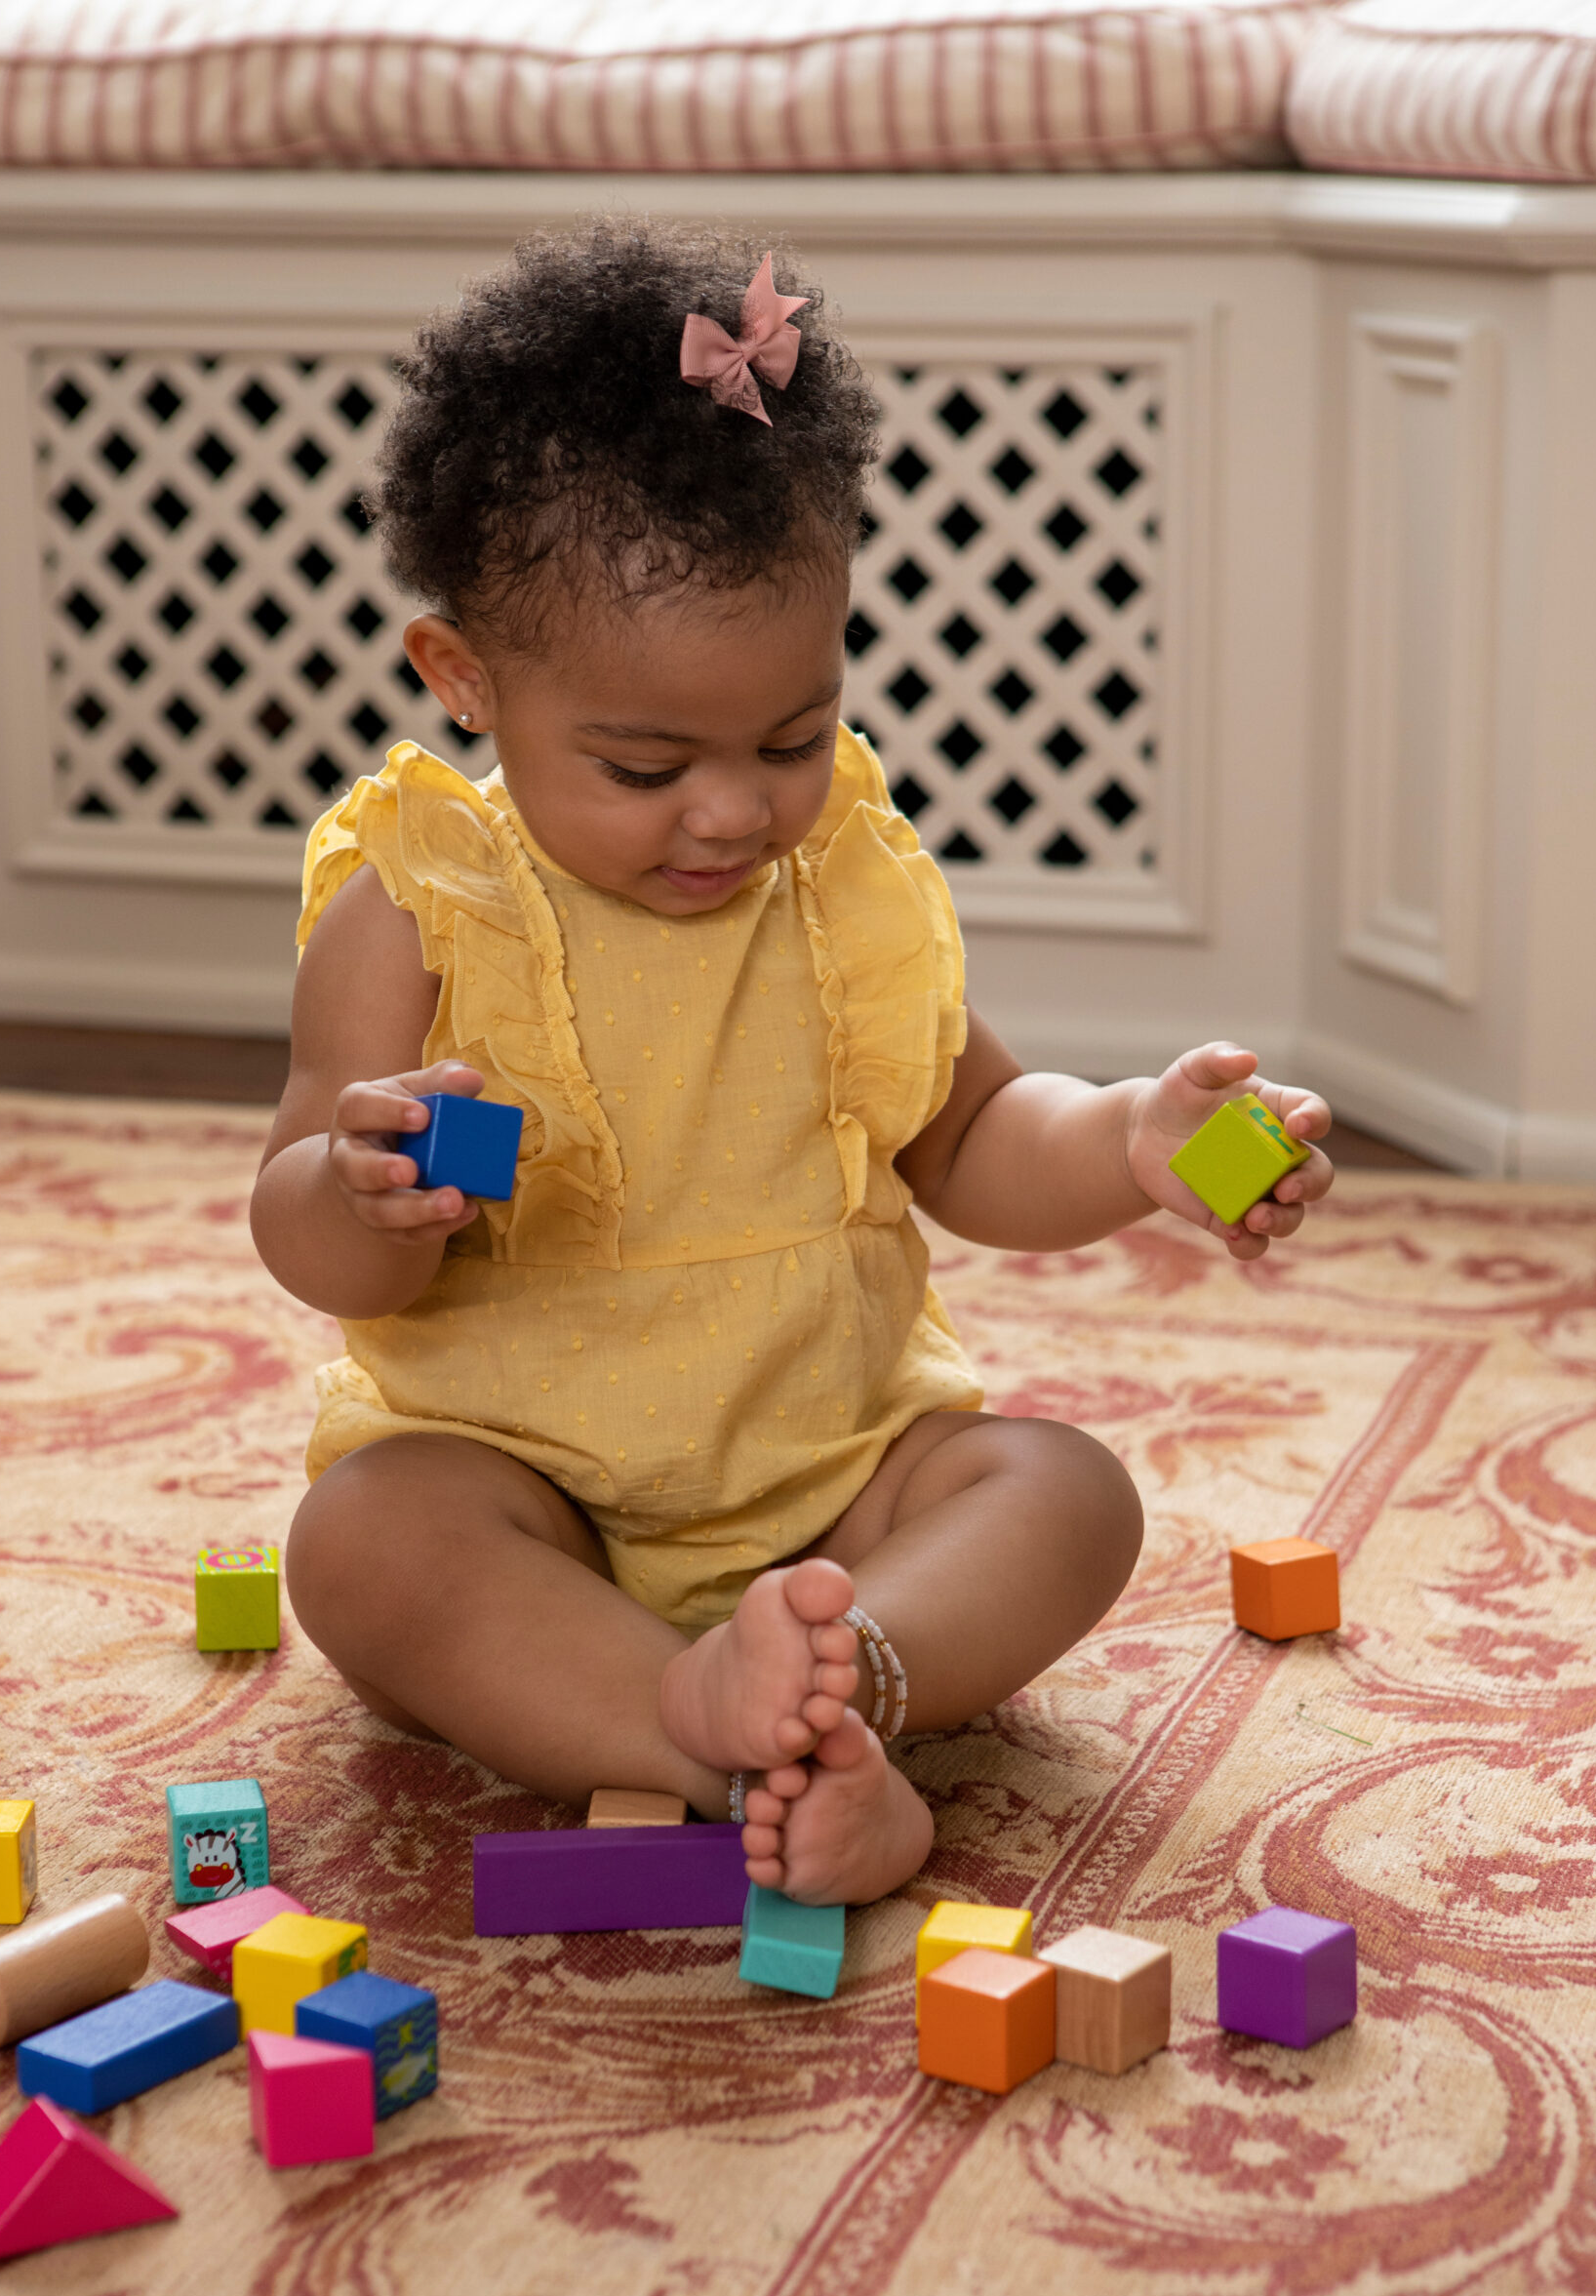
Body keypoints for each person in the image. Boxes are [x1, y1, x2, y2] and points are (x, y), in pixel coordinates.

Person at [251, 222, 1333, 1908]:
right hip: (533, 1491)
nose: (733, 809)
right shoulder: (417, 903)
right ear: (465, 680)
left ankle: (850, 1684)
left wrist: (1135, 1138)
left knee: (1064, 1490)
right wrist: (366, 1187)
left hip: (840, 1485)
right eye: (642, 760)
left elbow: (972, 1137)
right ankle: (717, 1728)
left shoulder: (842, 891)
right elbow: (298, 1220)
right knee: (368, 1545)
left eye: (792, 737)